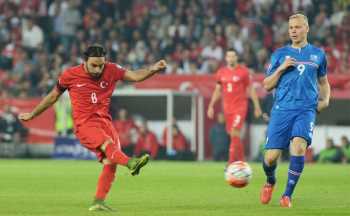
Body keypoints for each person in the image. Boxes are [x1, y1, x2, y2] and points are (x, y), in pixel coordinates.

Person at [18, 44, 167, 211]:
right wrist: (33, 114)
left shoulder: (111, 70)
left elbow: (135, 76)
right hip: (85, 124)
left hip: (105, 122)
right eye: (94, 65)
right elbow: (53, 96)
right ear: (85, 62)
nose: (98, 69)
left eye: (101, 65)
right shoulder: (70, 75)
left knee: (111, 162)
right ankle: (131, 162)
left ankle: (98, 202)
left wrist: (153, 68)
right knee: (107, 145)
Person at [260, 14, 331, 208]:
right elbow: (266, 85)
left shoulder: (318, 54)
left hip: (306, 109)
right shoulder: (279, 54)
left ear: (307, 28)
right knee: (271, 157)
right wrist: (282, 68)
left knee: (298, 147)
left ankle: (287, 195)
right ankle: (270, 181)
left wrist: (326, 99)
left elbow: (324, 82)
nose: (293, 30)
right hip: (282, 110)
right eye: (291, 27)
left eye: (297, 27)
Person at [207, 49, 262, 163]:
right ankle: (242, 161)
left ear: (236, 57)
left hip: (240, 107)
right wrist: (211, 106)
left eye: (233, 56)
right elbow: (218, 90)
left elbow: (251, 90)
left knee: (235, 131)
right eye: (229, 56)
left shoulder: (244, 72)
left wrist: (257, 106)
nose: (231, 58)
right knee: (233, 135)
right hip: (227, 108)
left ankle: (231, 162)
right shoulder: (221, 72)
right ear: (226, 58)